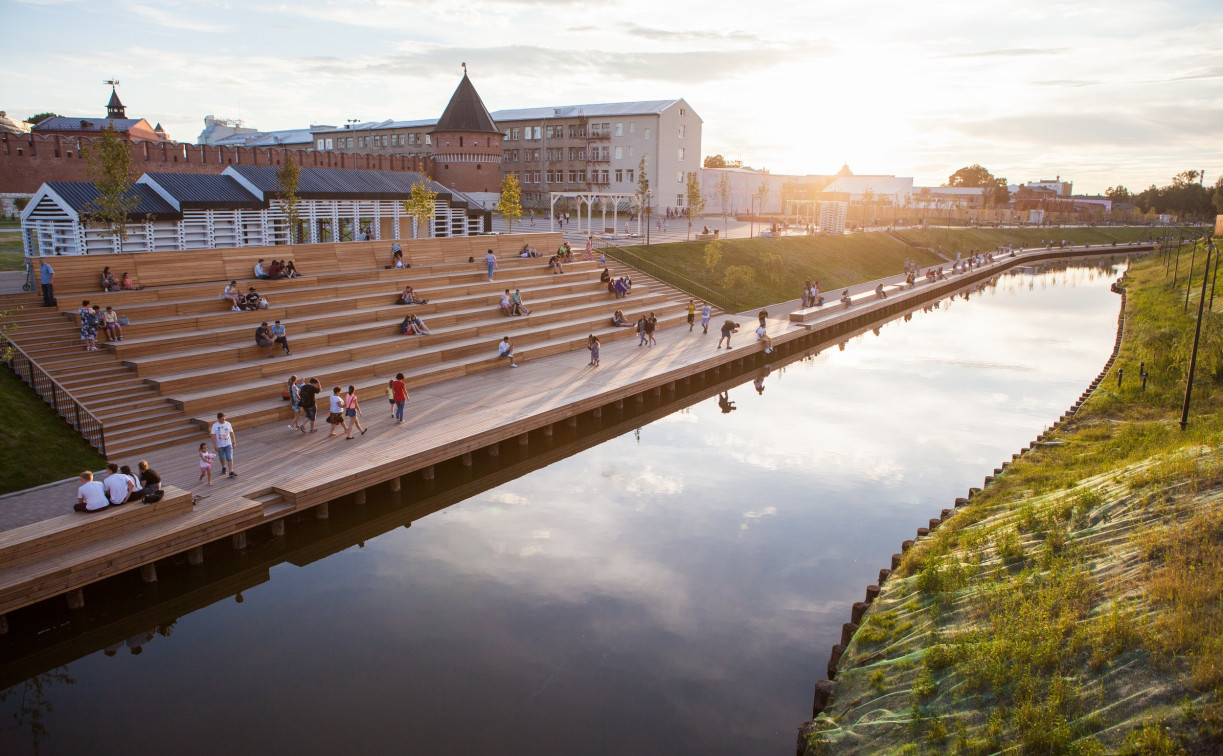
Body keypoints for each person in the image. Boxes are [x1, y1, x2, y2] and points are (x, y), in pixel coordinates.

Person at [211, 412, 237, 477]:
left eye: (223, 419)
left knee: (229, 457)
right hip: (220, 445)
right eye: (220, 419)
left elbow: (232, 434)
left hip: (228, 443)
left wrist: (234, 442)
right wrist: (215, 445)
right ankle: (223, 467)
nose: (222, 421)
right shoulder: (215, 426)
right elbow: (213, 436)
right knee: (221, 457)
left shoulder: (228, 424)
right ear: (218, 419)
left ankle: (231, 471)